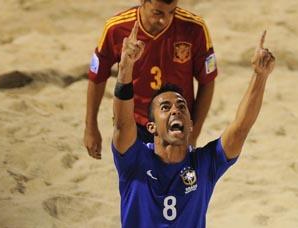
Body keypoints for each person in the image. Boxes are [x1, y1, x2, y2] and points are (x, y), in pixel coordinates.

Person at [111, 21, 275, 227]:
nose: (175, 110)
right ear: (151, 127)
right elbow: (122, 124)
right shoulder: (134, 160)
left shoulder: (205, 163)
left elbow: (241, 128)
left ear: (190, 125)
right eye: (165, 107)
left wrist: (260, 77)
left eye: (181, 106)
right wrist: (126, 68)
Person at [84, 0, 218, 160]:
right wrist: (90, 126)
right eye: (158, 13)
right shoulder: (117, 28)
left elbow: (207, 81)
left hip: (175, 125)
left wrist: (193, 132)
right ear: (142, 2)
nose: (165, 20)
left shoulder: (195, 28)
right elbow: (97, 77)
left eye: (171, 11)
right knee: (135, 183)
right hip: (133, 124)